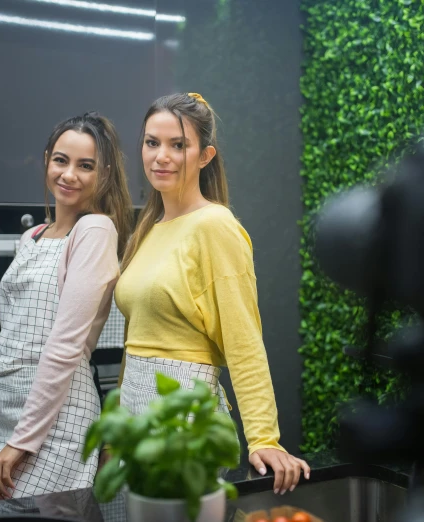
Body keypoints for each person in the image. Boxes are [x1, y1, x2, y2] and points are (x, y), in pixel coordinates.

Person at [114, 93, 310, 496]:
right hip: (134, 410)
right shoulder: (147, 227)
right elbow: (135, 340)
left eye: (178, 145)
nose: (161, 156)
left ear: (204, 156)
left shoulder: (215, 226)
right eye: (152, 142)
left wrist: (264, 438)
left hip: (185, 410)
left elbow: (244, 340)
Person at [0, 112, 133, 502]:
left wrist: (23, 442)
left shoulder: (95, 230)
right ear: (46, 160)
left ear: (103, 174)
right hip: (4, 421)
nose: (69, 174)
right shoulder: (31, 237)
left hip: (57, 426)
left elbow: (65, 346)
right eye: (61, 160)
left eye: (85, 166)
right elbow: (9, 337)